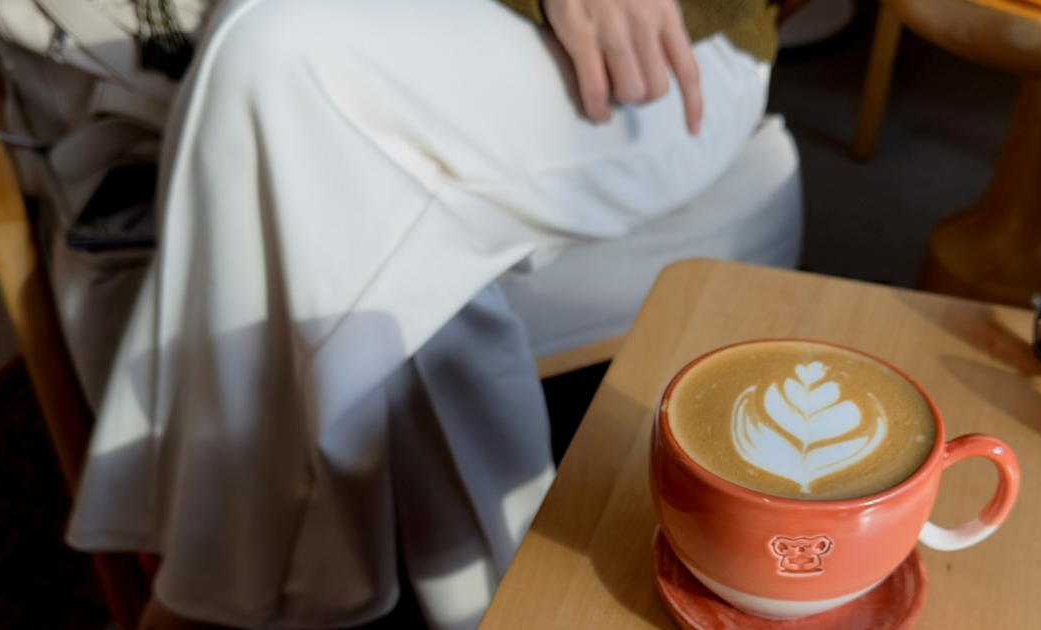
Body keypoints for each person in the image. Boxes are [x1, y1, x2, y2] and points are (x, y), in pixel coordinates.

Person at [65, 0, 780, 629]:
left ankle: (213, 594)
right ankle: (510, 604)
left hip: (659, 51)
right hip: (397, 35)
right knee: (367, 213)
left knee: (276, 53)